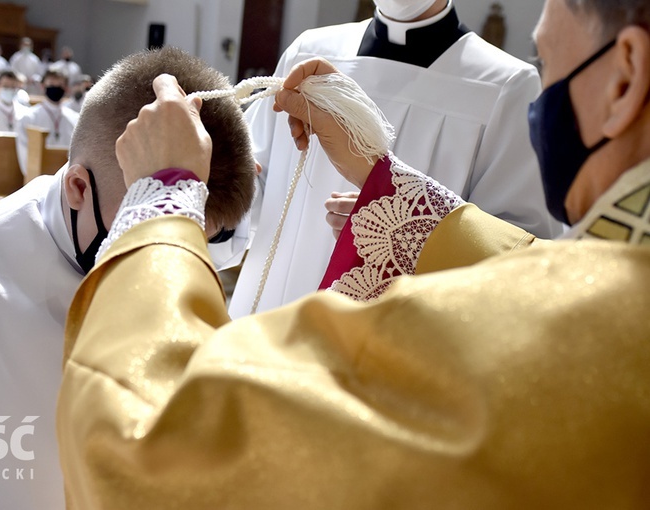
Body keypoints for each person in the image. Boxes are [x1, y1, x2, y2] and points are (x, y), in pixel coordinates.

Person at [56, 0, 650, 507]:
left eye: (549, 63)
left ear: (624, 77)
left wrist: (162, 192)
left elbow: (146, 445)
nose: (539, 90)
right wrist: (389, 193)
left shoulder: (591, 331)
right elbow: (543, 273)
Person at [0, 46, 256, 510]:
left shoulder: (181, 259)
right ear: (78, 187)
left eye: (195, 237)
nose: (157, 262)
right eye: (144, 222)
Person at [222, 0, 564, 318]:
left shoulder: (506, 85)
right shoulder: (308, 50)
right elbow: (257, 183)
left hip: (387, 344)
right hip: (266, 317)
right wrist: (214, 188)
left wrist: (398, 215)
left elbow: (515, 255)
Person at [14, 68, 78, 176]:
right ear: (43, 86)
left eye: (60, 85)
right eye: (52, 84)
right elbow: (25, 154)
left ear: (66, 88)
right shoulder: (28, 118)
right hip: (37, 179)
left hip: (67, 180)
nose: (56, 88)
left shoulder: (75, 118)